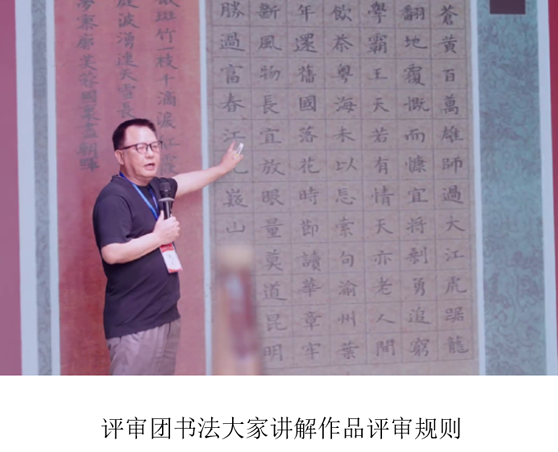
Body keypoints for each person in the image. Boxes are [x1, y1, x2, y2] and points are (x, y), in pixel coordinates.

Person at [92, 118, 243, 375]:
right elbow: (112, 252)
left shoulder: (156, 188)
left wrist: (221, 169)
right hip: (135, 323)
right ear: (120, 155)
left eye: (154, 146)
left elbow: (182, 182)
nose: (150, 153)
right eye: (140, 147)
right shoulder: (114, 197)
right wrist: (158, 237)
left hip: (165, 317)